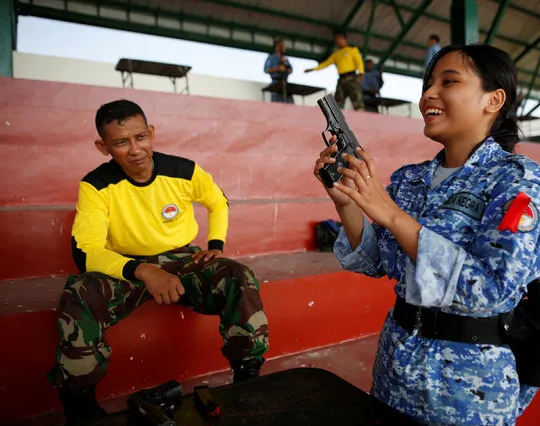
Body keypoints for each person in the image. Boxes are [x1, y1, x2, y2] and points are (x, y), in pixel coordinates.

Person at [313, 44, 540, 425]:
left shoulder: (516, 178)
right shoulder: (411, 178)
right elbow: (377, 262)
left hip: (470, 390)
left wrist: (389, 213)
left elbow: (493, 287)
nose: (428, 94)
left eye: (449, 81)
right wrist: (348, 203)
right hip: (396, 370)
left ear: (494, 99)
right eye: (428, 84)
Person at [48, 100, 269, 423]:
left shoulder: (184, 170)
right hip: (126, 265)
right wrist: (143, 270)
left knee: (238, 275)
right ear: (103, 146)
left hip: (183, 258)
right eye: (121, 142)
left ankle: (248, 378)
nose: (135, 149)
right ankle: (80, 404)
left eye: (140, 137)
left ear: (151, 133)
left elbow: (217, 201)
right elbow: (88, 252)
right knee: (79, 294)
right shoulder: (95, 186)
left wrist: (216, 245)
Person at [305, 32, 364, 110]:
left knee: (357, 100)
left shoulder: (352, 50)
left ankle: (363, 119)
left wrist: (361, 73)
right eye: (336, 40)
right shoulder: (336, 54)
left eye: (338, 39)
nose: (337, 41)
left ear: (344, 39)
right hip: (341, 79)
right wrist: (314, 69)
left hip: (352, 78)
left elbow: (359, 62)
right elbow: (326, 63)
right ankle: (337, 121)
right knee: (338, 103)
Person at [264, 39, 294, 103]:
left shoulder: (285, 58)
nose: (284, 47)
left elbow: (290, 70)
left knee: (289, 103)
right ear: (277, 47)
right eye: (282, 45)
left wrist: (286, 66)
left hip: (285, 83)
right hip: (276, 83)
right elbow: (266, 70)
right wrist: (278, 69)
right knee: (276, 103)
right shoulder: (271, 57)